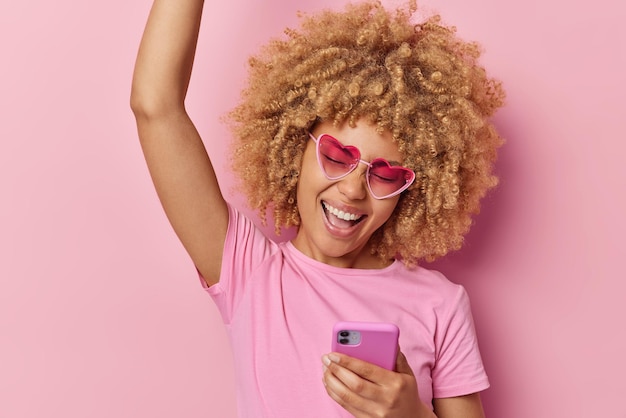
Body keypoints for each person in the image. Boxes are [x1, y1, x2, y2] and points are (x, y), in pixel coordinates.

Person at [131, 0, 505, 416]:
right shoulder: (249, 273)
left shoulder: (440, 303)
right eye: (337, 155)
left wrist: (413, 415)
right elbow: (155, 107)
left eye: (384, 173)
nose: (351, 190)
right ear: (295, 148)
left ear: (410, 190)